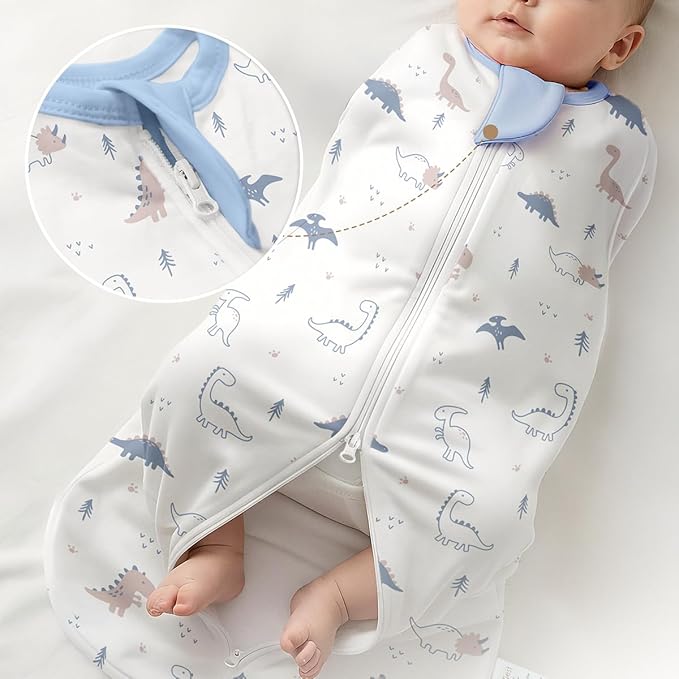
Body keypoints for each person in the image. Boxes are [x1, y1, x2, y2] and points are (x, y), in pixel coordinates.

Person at [144, 1, 655, 677]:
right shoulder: (426, 61)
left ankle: (340, 594)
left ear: (619, 48)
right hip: (299, 362)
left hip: (450, 427)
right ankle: (214, 542)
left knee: (492, 524)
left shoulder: (618, 143)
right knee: (194, 373)